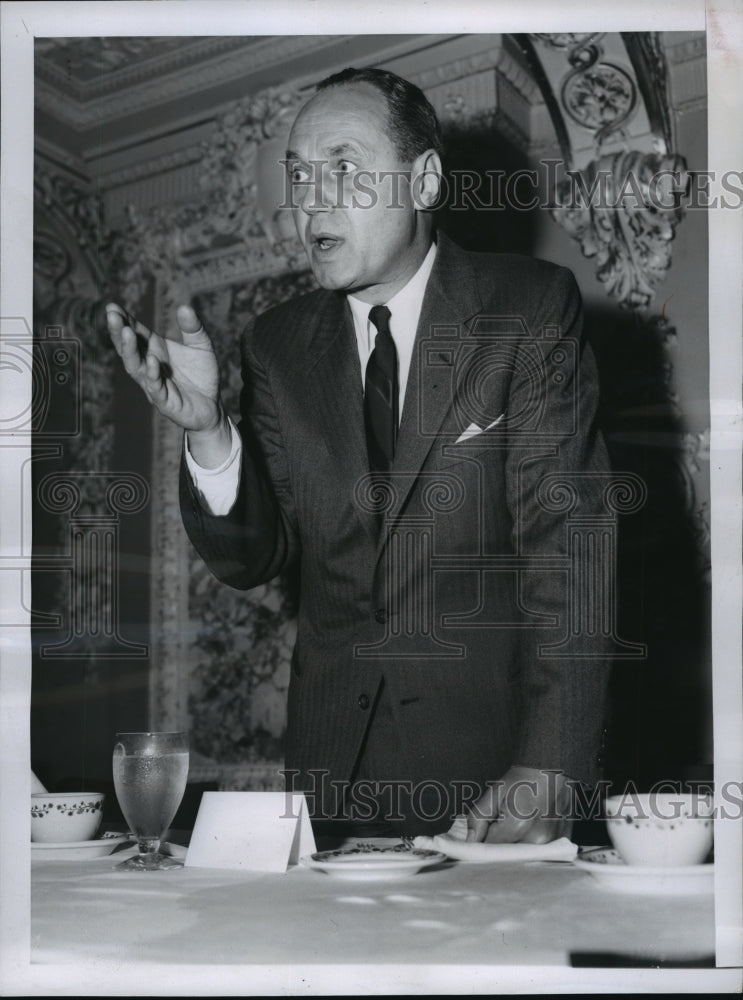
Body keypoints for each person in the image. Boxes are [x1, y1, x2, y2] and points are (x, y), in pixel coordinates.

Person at [107, 67, 611, 842]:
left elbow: (567, 552)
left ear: (424, 181)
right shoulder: (275, 345)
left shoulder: (528, 307)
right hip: (330, 778)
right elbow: (251, 558)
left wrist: (549, 764)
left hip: (493, 769)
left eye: (343, 168)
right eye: (299, 175)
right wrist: (207, 431)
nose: (310, 201)